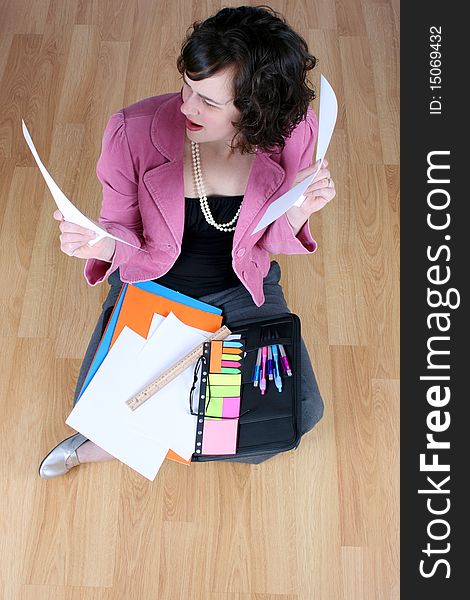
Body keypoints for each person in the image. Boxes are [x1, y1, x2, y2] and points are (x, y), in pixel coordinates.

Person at [39, 5, 336, 478]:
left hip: (241, 287)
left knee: (294, 416)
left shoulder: (295, 132)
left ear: (257, 109)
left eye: (208, 101)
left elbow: (268, 239)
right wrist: (101, 247)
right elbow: (120, 230)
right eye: (187, 87)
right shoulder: (131, 131)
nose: (186, 107)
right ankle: (109, 442)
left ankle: (143, 438)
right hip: (155, 284)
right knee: (100, 410)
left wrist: (299, 209)